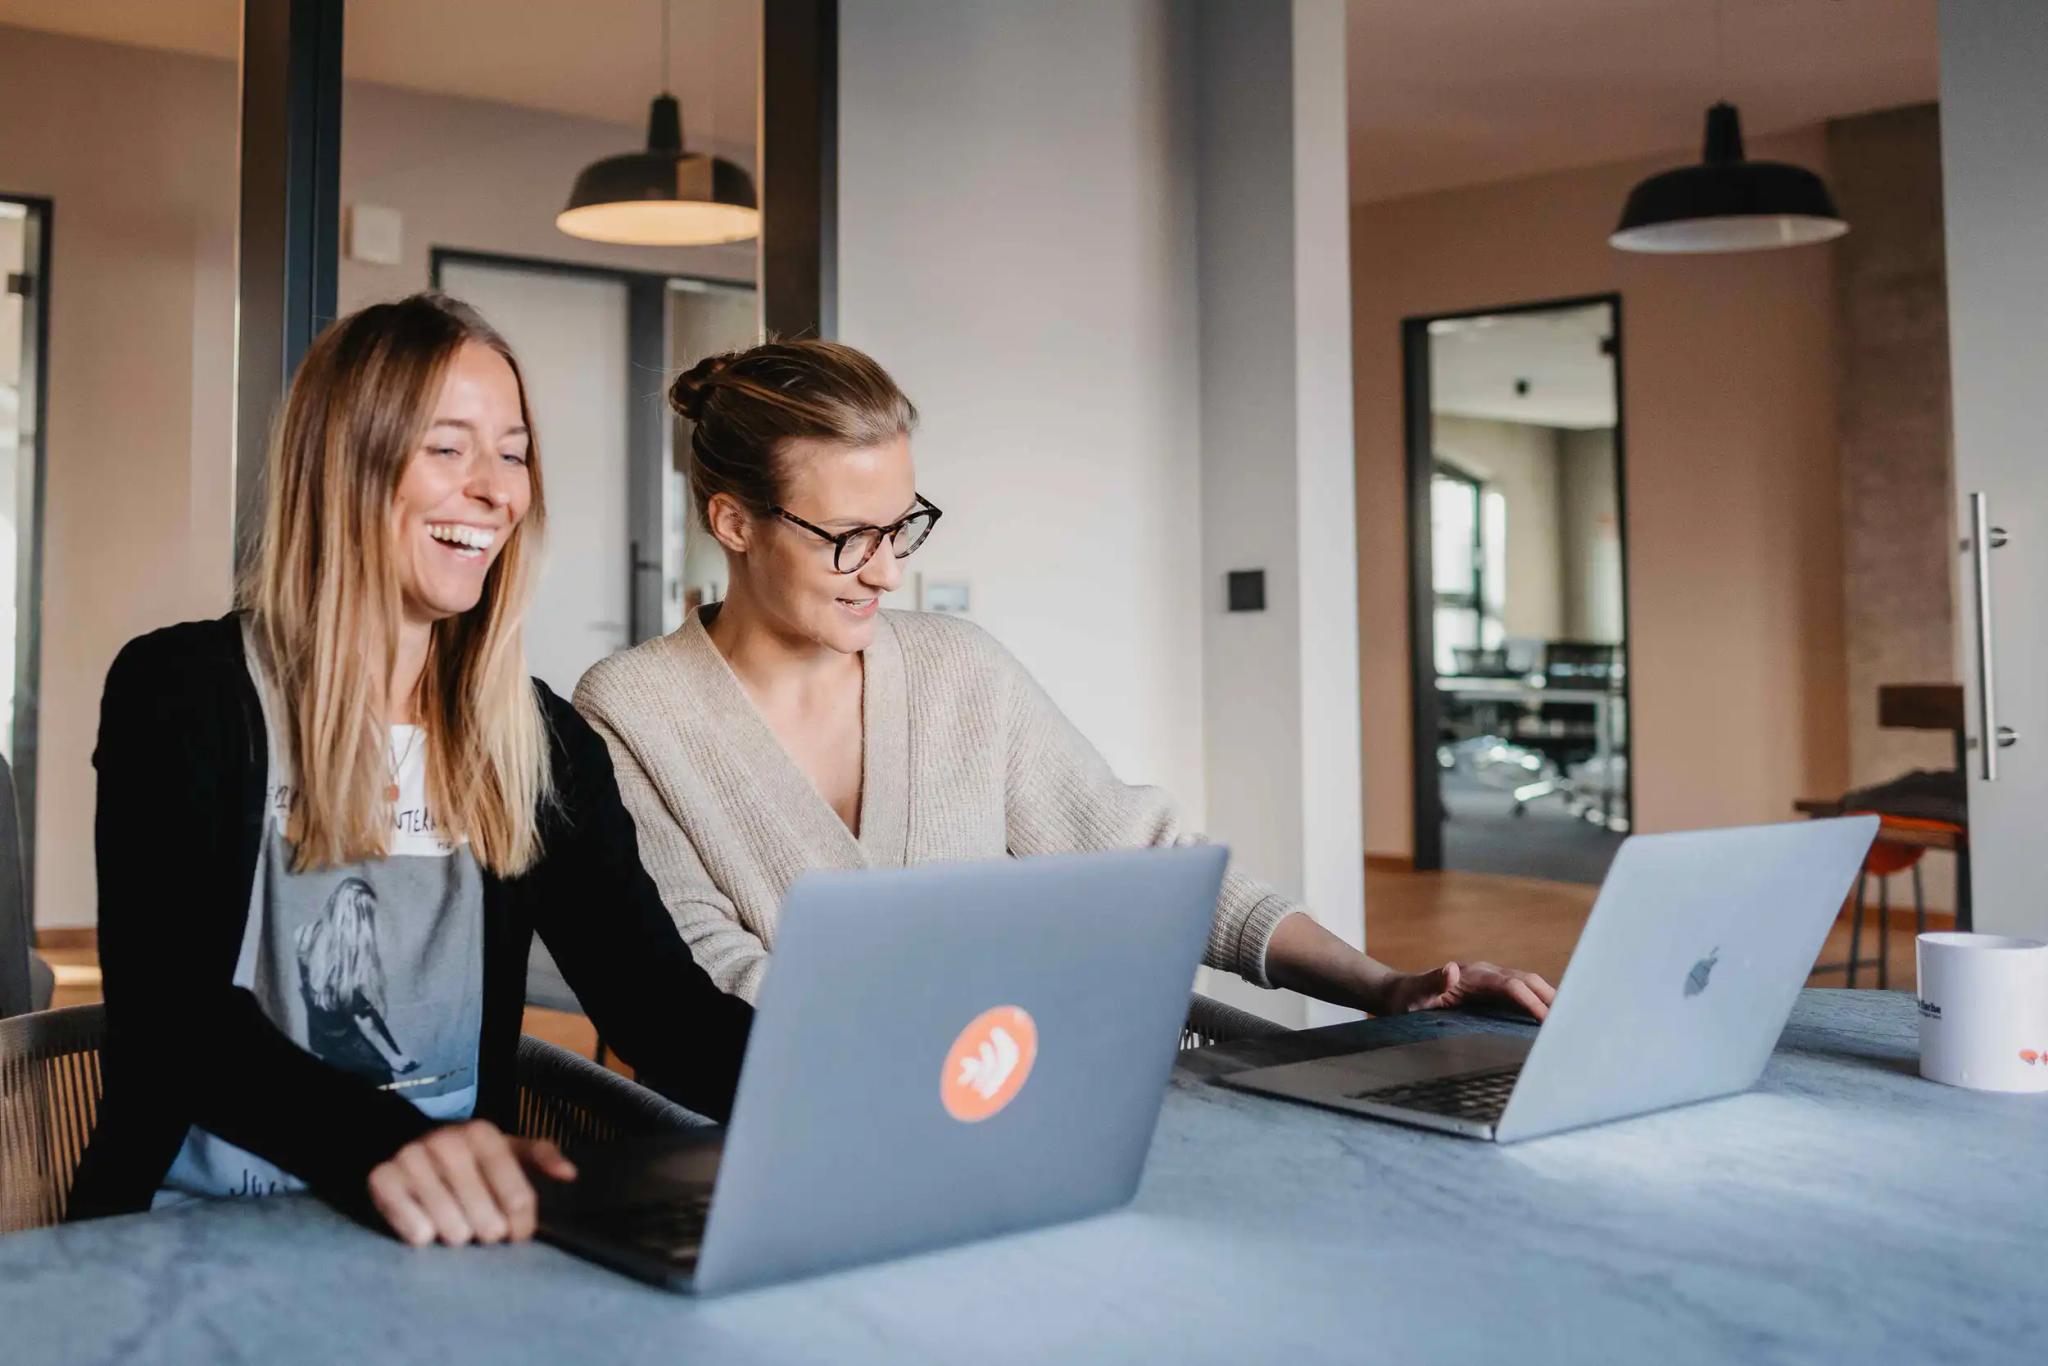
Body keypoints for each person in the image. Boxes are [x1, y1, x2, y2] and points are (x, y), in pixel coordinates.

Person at [574, 340, 1557, 1021]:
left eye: (902, 525)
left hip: (1009, 1076)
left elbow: (1145, 855)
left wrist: (1383, 986)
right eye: (849, 538)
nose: (886, 569)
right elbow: (704, 969)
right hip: (785, 1124)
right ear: (732, 523)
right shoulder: (631, 711)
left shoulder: (957, 666)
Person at [69, 293, 751, 1246]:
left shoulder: (539, 740)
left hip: (444, 1244)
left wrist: (859, 1098)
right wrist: (386, 1144)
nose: (494, 489)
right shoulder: (184, 692)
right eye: (449, 447)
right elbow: (172, 1022)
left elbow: (664, 1015)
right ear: (347, 462)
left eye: (512, 453)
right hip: (185, 1238)